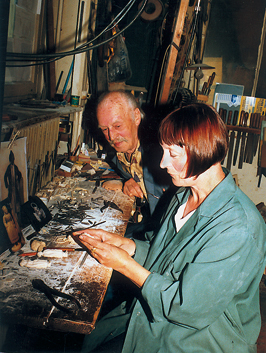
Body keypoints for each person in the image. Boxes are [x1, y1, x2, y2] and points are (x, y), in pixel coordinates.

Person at [75, 103, 266, 353]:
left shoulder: (237, 227)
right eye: (164, 151)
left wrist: (124, 264)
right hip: (160, 318)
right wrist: (128, 246)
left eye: (172, 154)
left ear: (203, 152)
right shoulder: (184, 195)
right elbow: (167, 256)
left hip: (200, 338)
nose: (163, 163)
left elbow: (187, 308)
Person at [96, 90, 174, 233]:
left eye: (118, 126)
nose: (111, 136)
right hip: (149, 222)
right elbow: (126, 169)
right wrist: (127, 181)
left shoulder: (163, 152)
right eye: (104, 129)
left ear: (136, 117)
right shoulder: (116, 154)